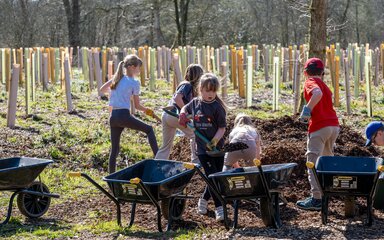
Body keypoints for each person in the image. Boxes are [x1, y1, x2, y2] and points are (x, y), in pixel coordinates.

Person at [179, 73, 227, 221]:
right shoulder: (194, 103)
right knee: (212, 176)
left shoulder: (217, 107)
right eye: (207, 90)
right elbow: (184, 109)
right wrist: (182, 115)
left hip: (216, 149)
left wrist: (213, 141)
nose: (210, 94)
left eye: (213, 91)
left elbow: (222, 128)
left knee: (215, 178)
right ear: (200, 89)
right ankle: (220, 208)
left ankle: (203, 200)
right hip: (201, 149)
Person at [100, 54, 158, 173]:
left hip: (113, 117)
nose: (139, 70)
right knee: (149, 130)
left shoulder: (117, 78)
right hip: (123, 116)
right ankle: (160, 161)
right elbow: (137, 106)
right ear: (131, 67)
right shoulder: (134, 82)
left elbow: (102, 89)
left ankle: (111, 178)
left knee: (114, 150)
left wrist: (114, 96)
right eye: (138, 68)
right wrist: (150, 112)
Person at [296, 57, 340, 211]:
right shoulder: (326, 86)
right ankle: (327, 193)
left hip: (320, 127)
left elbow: (317, 94)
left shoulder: (310, 82)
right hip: (334, 126)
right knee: (326, 162)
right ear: (322, 72)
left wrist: (306, 110)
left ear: (306, 72)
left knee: (312, 163)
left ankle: (316, 199)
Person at [155, 64, 204, 163]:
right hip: (174, 115)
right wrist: (184, 111)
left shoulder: (190, 88)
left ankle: (157, 164)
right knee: (195, 135)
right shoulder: (187, 85)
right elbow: (177, 98)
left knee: (166, 145)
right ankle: (196, 161)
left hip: (167, 116)